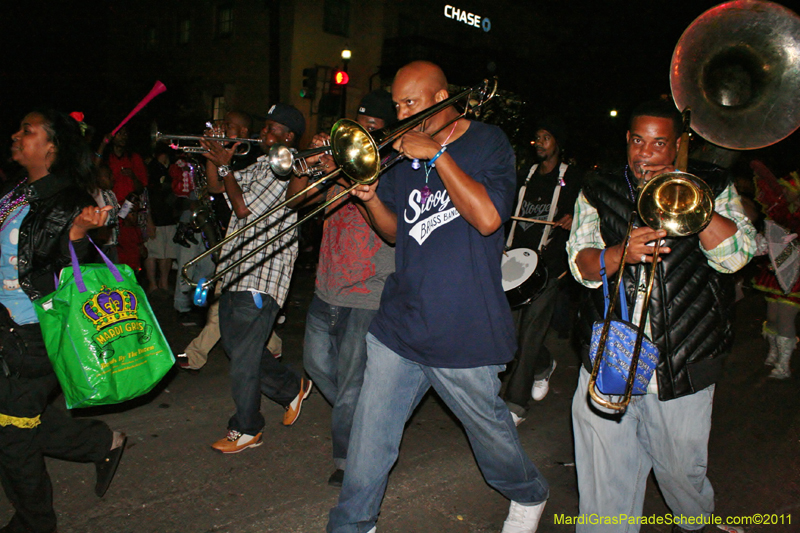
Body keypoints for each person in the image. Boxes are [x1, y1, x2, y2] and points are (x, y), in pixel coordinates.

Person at [327, 61, 548, 533]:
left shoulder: (489, 142)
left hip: (462, 327)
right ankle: (352, 523)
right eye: (398, 104)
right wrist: (368, 200)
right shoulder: (400, 157)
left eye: (412, 103)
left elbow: (489, 218)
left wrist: (437, 157)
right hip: (399, 325)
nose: (402, 113)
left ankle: (528, 491)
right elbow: (394, 232)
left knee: (488, 430)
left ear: (442, 97)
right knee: (370, 438)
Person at [566, 100, 756, 533]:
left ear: (678, 146)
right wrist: (619, 253)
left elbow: (737, 258)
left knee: (682, 476)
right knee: (602, 488)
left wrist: (693, 201)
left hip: (684, 358)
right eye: (637, 140)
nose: (645, 154)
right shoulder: (599, 186)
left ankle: (696, 524)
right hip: (611, 357)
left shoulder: (713, 182)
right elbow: (581, 266)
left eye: (658, 143)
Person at [0, 109, 126, 533]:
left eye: (27, 131)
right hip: (5, 325)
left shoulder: (70, 200)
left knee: (13, 436)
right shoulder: (15, 192)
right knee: (12, 418)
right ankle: (100, 442)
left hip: (35, 330)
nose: (16, 135)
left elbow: (76, 275)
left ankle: (35, 524)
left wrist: (77, 237)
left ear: (51, 146)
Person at [289, 90, 396, 487]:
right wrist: (312, 163)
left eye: (374, 128)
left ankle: (347, 458)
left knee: (351, 382)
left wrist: (347, 169)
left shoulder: (394, 168)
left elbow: (392, 231)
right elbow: (294, 201)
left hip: (368, 292)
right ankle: (366, 417)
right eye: (361, 125)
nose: (365, 135)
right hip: (326, 286)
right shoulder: (340, 159)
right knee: (317, 366)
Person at [199, 103, 312, 454]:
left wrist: (224, 162)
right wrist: (212, 154)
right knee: (238, 349)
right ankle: (290, 387)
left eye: (272, 129)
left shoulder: (288, 167)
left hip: (263, 273)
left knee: (245, 355)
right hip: (237, 269)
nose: (263, 133)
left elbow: (245, 206)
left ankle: (247, 427)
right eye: (264, 127)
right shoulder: (263, 163)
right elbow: (219, 188)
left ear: (289, 137)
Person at [502, 117, 581, 425]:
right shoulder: (526, 176)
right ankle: (543, 364)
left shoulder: (572, 178)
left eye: (546, 137)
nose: (540, 143)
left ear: (557, 143)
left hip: (547, 267)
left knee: (531, 330)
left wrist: (573, 217)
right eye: (537, 137)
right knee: (510, 334)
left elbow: (588, 213)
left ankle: (515, 402)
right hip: (515, 263)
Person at [750, 159, 800, 379]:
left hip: (797, 273)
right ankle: (774, 351)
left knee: (786, 317)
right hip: (777, 270)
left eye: (789, 190)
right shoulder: (781, 214)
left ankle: (784, 365)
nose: (784, 194)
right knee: (772, 316)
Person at [96, 126, 148, 272]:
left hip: (128, 214)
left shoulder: (133, 158)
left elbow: (141, 188)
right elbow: (93, 171)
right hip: (109, 214)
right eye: (120, 133)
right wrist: (102, 144)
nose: (123, 136)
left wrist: (133, 176)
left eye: (126, 133)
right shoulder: (106, 158)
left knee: (130, 259)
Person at [144, 142, 178, 294]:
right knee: (152, 252)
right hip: (155, 218)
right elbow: (147, 196)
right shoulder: (151, 170)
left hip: (168, 217)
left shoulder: (170, 169)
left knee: (167, 252)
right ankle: (152, 284)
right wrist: (148, 218)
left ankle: (163, 282)